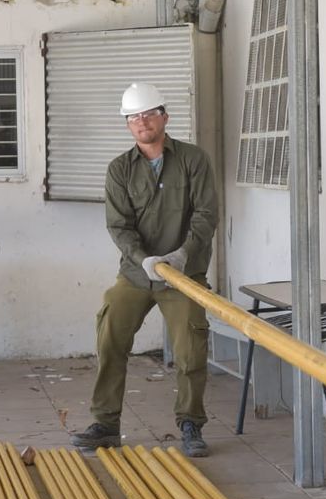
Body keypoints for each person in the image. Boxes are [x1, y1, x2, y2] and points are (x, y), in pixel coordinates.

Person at [70, 82, 220, 458]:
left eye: (149, 114)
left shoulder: (193, 160)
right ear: (127, 125)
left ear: (164, 117)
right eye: (134, 117)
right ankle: (105, 424)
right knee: (110, 332)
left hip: (183, 274)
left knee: (190, 346)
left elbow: (206, 215)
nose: (142, 122)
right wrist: (144, 261)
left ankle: (191, 424)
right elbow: (118, 226)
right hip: (137, 275)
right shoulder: (119, 170)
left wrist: (182, 256)